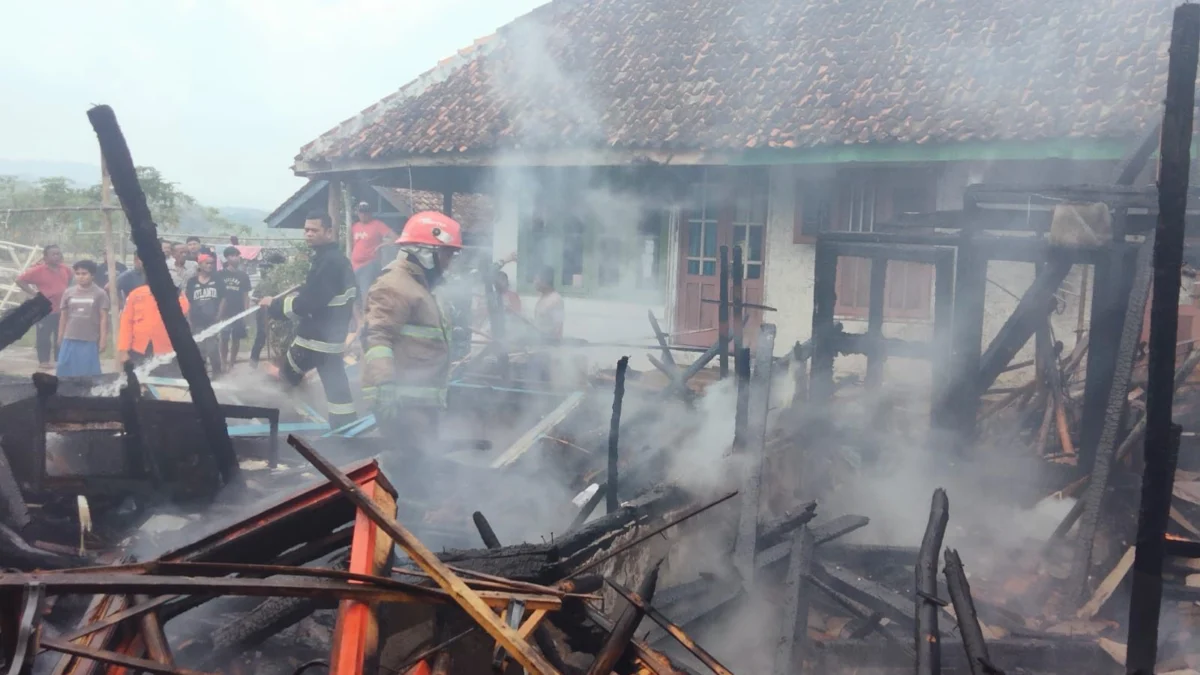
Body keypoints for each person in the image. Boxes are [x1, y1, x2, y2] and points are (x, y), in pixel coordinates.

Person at [362, 211, 462, 454]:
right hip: (402, 403)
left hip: (420, 403)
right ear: (426, 253)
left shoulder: (420, 286)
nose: (449, 261)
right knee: (409, 470)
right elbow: (377, 337)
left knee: (420, 469)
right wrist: (386, 385)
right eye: (447, 253)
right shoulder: (394, 284)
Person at [259, 211, 358, 429]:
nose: (308, 234)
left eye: (314, 230)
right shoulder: (335, 260)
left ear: (329, 232)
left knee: (286, 378)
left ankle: (275, 421)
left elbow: (307, 304)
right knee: (337, 389)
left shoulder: (329, 263)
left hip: (313, 340)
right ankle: (346, 428)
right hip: (330, 341)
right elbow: (321, 294)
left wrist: (274, 306)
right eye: (306, 230)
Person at [16, 244, 72, 370]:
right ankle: (44, 361)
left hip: (62, 309)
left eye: (58, 254)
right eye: (54, 254)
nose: (57, 256)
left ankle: (60, 359)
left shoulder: (65, 269)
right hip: (45, 309)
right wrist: (34, 294)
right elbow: (19, 280)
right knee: (44, 335)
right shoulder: (38, 270)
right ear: (45, 257)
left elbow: (71, 279)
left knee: (61, 334)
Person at [117, 282, 189, 371]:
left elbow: (184, 308)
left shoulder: (171, 293)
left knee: (163, 381)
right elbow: (126, 323)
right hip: (139, 349)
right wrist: (123, 350)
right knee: (138, 381)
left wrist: (176, 293)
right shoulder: (135, 294)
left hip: (165, 350)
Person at [55, 260, 109, 378]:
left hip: (89, 339)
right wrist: (60, 336)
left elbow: (103, 318)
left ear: (92, 275)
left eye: (84, 274)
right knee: (64, 367)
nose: (80, 277)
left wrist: (103, 339)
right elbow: (64, 316)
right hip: (69, 337)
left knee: (87, 372)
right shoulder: (69, 292)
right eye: (78, 274)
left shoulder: (100, 294)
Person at [185, 254, 223, 376]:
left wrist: (219, 315)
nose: (210, 265)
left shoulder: (217, 280)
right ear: (200, 264)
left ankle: (217, 373)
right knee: (199, 349)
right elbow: (188, 301)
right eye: (207, 263)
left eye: (211, 263)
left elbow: (223, 299)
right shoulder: (192, 282)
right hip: (197, 320)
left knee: (212, 348)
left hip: (212, 320)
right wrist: (189, 318)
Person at [350, 202, 394, 301]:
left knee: (366, 293)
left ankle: (369, 315)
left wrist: (382, 245)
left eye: (366, 212)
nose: (363, 215)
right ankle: (360, 315)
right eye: (361, 212)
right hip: (354, 266)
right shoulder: (354, 226)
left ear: (370, 213)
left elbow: (395, 238)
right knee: (353, 295)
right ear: (358, 213)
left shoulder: (377, 225)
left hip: (369, 264)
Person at [218, 246, 251, 369]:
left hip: (238, 311)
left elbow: (246, 295)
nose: (235, 258)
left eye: (237, 255)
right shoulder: (220, 274)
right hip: (224, 312)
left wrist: (246, 312)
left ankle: (232, 363)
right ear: (227, 258)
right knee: (224, 337)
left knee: (236, 338)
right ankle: (223, 362)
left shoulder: (243, 276)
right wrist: (218, 312)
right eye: (232, 256)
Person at [533, 266, 565, 342]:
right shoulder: (542, 297)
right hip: (539, 343)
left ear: (544, 281)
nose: (534, 282)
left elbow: (558, 328)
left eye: (536, 279)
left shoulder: (556, 300)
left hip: (549, 346)